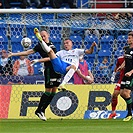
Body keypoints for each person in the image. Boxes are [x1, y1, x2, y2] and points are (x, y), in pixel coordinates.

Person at [8, 30, 62, 121]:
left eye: (44, 36)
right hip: (49, 69)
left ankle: (42, 111)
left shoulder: (52, 44)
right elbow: (27, 52)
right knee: (48, 91)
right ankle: (38, 110)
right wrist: (13, 54)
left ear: (48, 35)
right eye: (41, 36)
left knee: (54, 92)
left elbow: (54, 57)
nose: (43, 38)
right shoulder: (40, 46)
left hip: (57, 69)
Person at [119, 31, 133, 121]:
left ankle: (129, 114)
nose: (128, 40)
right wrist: (121, 66)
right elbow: (126, 60)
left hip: (131, 74)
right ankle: (131, 108)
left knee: (126, 93)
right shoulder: (127, 49)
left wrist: (131, 72)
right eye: (128, 38)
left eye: (130, 38)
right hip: (126, 73)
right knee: (121, 93)